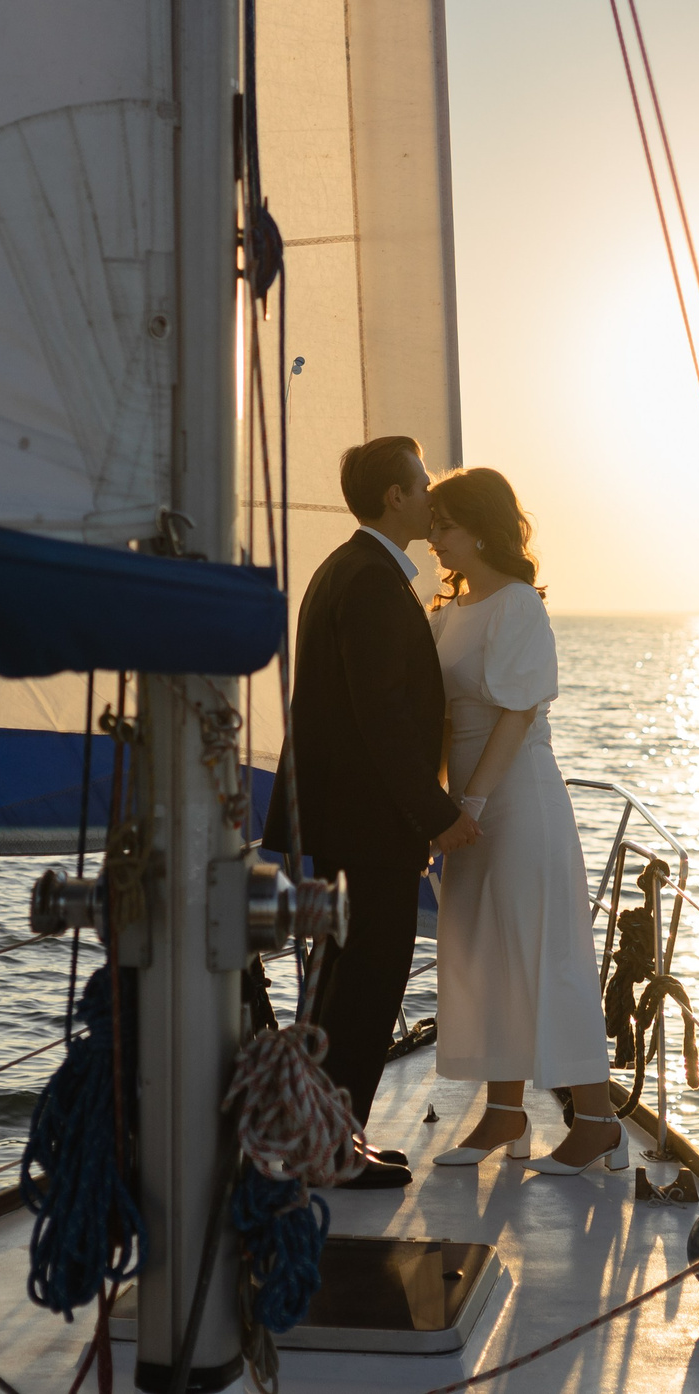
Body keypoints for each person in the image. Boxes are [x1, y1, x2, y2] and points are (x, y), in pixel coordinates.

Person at [261, 436, 482, 1190]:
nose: (431, 495)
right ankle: (330, 1147)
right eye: (421, 483)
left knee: (339, 984)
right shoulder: (373, 586)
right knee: (363, 987)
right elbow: (381, 717)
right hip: (368, 827)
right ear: (395, 496)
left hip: (343, 821)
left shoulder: (346, 570)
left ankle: (322, 1135)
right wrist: (435, 814)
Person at [421, 468, 628, 1176]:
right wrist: (437, 810)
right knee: (485, 954)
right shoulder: (448, 611)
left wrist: (472, 804)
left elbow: (519, 713)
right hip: (467, 805)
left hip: (517, 797)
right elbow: (442, 722)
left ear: (481, 529)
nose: (434, 537)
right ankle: (505, 1114)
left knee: (546, 954)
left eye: (445, 524)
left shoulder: (517, 606)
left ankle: (597, 1121)